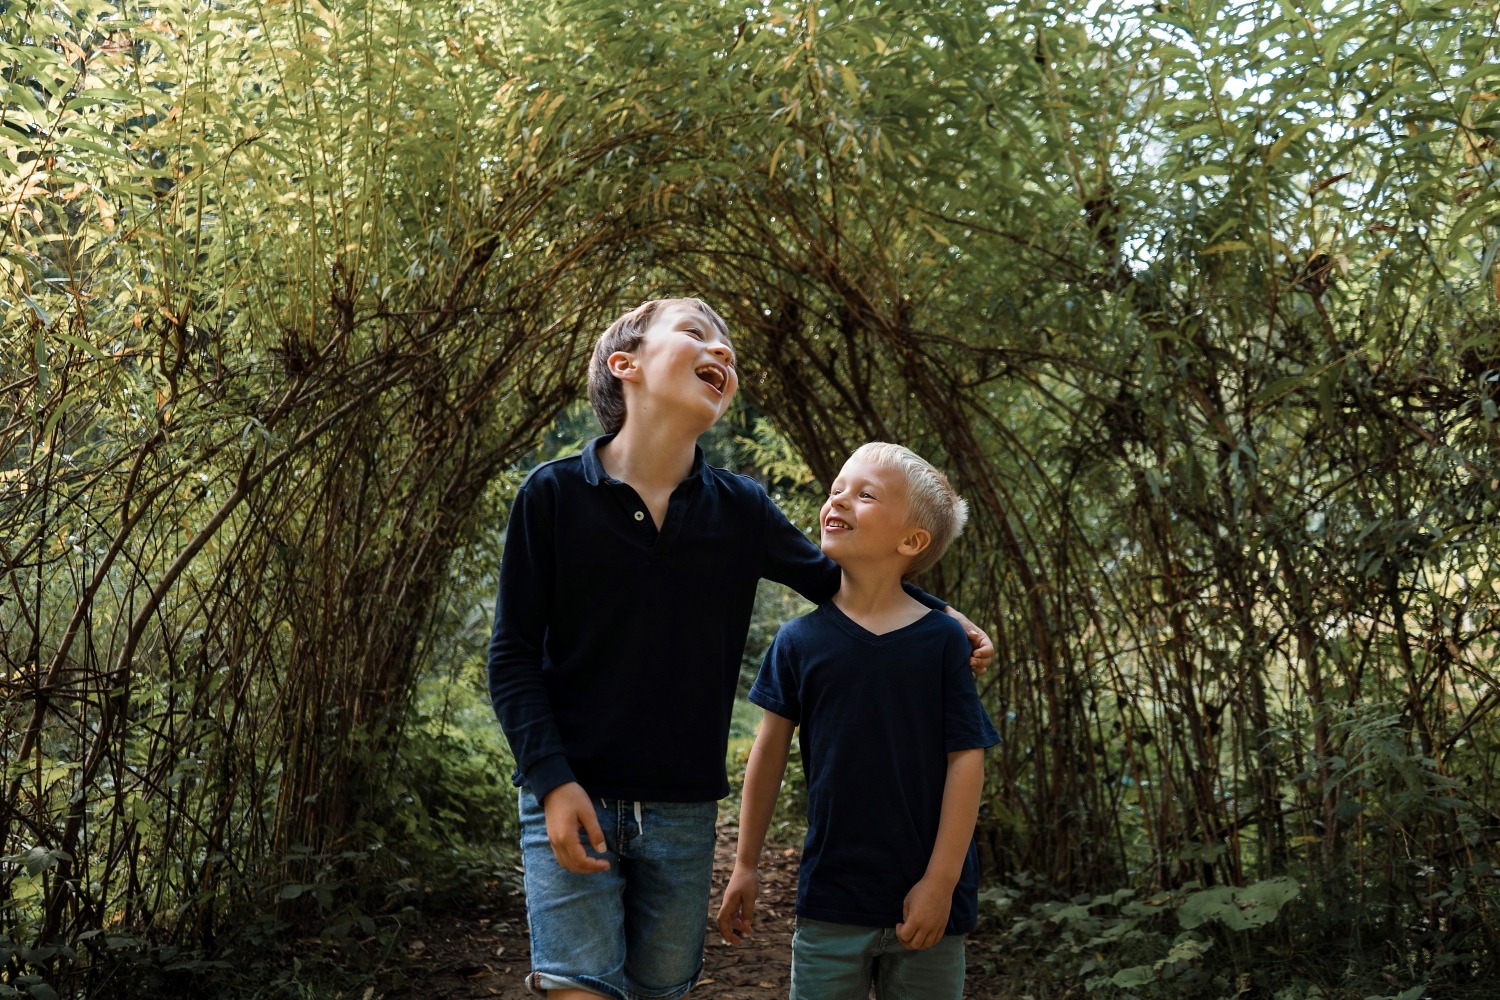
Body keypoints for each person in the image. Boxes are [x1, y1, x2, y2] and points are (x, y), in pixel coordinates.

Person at [486, 298, 993, 1000]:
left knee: (661, 989)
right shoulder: (552, 496)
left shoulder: (741, 509)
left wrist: (942, 617)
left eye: (728, 347)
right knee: (578, 985)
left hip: (684, 806)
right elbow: (510, 657)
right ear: (623, 365)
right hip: (573, 786)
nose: (721, 351)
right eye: (697, 334)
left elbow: (844, 585)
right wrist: (550, 779)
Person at [717, 441, 1002, 1000]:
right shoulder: (799, 641)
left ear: (911, 540)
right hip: (831, 896)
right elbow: (768, 755)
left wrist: (940, 883)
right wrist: (744, 864)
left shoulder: (944, 641)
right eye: (836, 490)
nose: (839, 500)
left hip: (927, 902)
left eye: (864, 494)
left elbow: (966, 758)